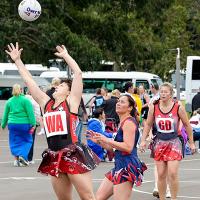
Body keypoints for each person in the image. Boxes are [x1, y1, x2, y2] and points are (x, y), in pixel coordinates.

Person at [5, 42, 100, 199]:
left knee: (88, 197)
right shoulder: (45, 103)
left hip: (72, 153)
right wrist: (17, 61)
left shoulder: (71, 102)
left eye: (62, 85)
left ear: (69, 91)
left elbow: (78, 74)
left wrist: (66, 56)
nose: (57, 87)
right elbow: (29, 81)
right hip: (54, 155)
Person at [140, 82, 196, 200]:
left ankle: (174, 198)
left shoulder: (178, 107)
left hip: (174, 141)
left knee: (172, 173)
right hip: (160, 141)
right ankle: (162, 198)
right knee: (161, 174)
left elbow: (187, 125)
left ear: (171, 94)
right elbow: (148, 124)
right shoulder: (154, 107)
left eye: (166, 92)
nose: (163, 94)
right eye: (161, 92)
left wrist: (191, 143)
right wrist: (143, 140)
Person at [87, 94, 147, 200]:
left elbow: (128, 147)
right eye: (118, 101)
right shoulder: (121, 122)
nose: (118, 103)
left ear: (130, 107)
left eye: (122, 102)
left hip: (127, 166)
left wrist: (106, 139)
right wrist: (99, 142)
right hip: (119, 165)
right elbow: (114, 148)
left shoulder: (129, 122)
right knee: (99, 197)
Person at [1, 84, 36, 167]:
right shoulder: (26, 100)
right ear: (21, 90)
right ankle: (23, 156)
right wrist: (33, 124)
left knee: (14, 141)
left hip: (12, 124)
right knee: (27, 140)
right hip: (24, 124)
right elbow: (30, 113)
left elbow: (5, 115)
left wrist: (3, 125)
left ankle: (16, 160)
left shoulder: (9, 101)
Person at [25, 89, 41, 164]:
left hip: (22, 122)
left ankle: (21, 156)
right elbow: (38, 113)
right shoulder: (34, 101)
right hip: (32, 123)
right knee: (31, 140)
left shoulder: (23, 99)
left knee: (22, 140)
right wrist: (38, 123)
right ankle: (29, 158)